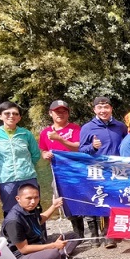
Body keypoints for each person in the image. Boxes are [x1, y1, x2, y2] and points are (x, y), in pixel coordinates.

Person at [79, 96, 128, 248]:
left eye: (106, 107)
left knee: (120, 198)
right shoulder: (87, 128)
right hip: (99, 170)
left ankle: (122, 230)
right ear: (94, 110)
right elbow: (81, 149)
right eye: (99, 108)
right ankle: (108, 234)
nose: (103, 111)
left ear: (111, 108)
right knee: (104, 200)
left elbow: (127, 144)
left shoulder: (120, 126)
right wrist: (92, 147)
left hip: (119, 169)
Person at [0, 101, 41, 217]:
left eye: (15, 114)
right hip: (5, 179)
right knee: (10, 210)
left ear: (19, 118)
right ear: (0, 116)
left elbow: (35, 154)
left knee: (33, 207)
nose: (11, 116)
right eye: (7, 113)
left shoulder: (26, 134)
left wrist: (25, 166)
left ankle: (38, 235)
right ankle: (13, 235)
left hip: (28, 177)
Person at [1, 184, 80, 259]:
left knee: (73, 236)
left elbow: (40, 220)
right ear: (18, 199)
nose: (33, 201)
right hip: (22, 255)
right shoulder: (13, 221)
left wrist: (54, 206)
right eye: (29, 198)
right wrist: (53, 246)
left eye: (36, 198)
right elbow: (24, 249)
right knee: (52, 253)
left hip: (39, 243)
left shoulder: (31, 209)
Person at [38, 100, 85, 239]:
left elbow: (78, 147)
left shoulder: (76, 128)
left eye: (64, 111)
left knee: (83, 198)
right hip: (58, 173)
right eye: (57, 111)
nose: (60, 114)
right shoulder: (45, 132)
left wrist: (59, 139)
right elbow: (43, 150)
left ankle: (89, 229)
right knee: (64, 200)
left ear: (68, 113)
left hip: (77, 170)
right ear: (50, 113)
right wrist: (45, 155)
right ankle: (78, 232)